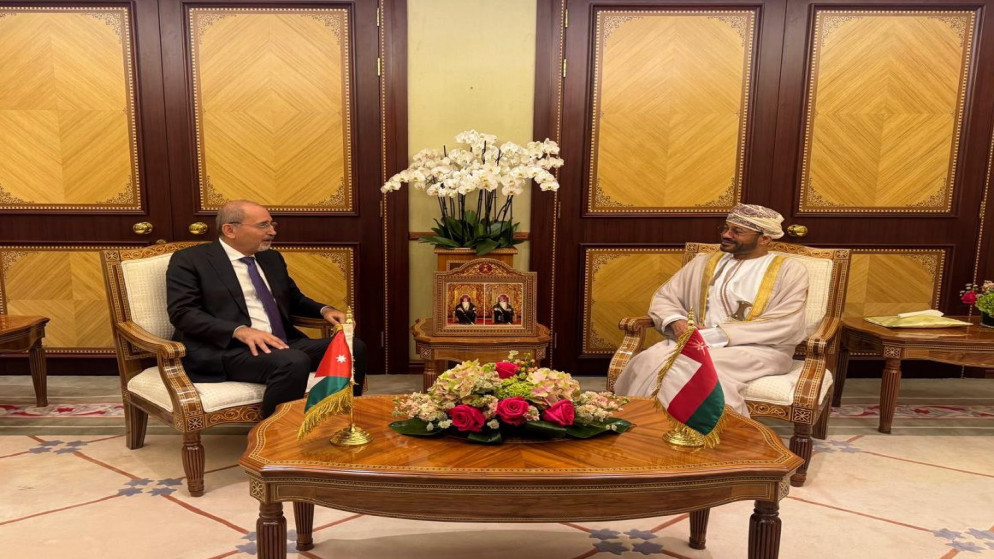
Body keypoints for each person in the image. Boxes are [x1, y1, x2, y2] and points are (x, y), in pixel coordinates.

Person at [166, 200, 366, 418]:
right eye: (263, 225)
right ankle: (274, 432)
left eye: (272, 224)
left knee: (352, 347)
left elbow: (294, 299)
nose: (272, 231)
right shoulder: (191, 260)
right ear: (230, 230)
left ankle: (341, 420)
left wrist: (324, 310)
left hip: (280, 342)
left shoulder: (271, 258)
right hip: (228, 350)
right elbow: (183, 313)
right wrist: (239, 330)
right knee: (293, 361)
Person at [613, 204, 808, 416]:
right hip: (693, 341)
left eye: (737, 231)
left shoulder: (790, 270)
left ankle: (697, 431)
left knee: (692, 366)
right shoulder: (703, 263)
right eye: (725, 228)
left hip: (760, 349)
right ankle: (642, 426)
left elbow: (787, 321)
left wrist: (716, 335)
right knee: (647, 361)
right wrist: (676, 322)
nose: (726, 235)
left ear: (765, 239)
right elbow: (665, 298)